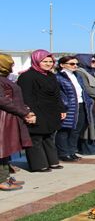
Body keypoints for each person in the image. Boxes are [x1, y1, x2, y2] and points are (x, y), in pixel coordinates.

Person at [16, 50, 65, 172]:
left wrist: (62, 108)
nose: (48, 64)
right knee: (36, 138)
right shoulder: (27, 76)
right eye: (45, 61)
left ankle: (52, 161)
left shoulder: (50, 75)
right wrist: (29, 113)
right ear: (37, 61)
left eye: (50, 61)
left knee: (49, 136)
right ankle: (39, 165)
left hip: (51, 111)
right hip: (36, 111)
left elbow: (57, 94)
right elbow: (26, 97)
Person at [0, 54, 34, 190]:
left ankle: (6, 177)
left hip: (9, 117)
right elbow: (3, 100)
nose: (13, 66)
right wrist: (23, 112)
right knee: (2, 149)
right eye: (10, 63)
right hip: (3, 119)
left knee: (6, 149)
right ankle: (2, 180)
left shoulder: (4, 78)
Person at [55, 56, 94, 161]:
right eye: (71, 64)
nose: (75, 66)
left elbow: (82, 90)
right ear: (62, 65)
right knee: (65, 130)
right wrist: (64, 106)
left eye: (76, 64)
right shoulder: (58, 77)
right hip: (68, 106)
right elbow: (59, 94)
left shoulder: (77, 75)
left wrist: (89, 101)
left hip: (81, 104)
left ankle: (72, 151)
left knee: (76, 130)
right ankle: (63, 153)